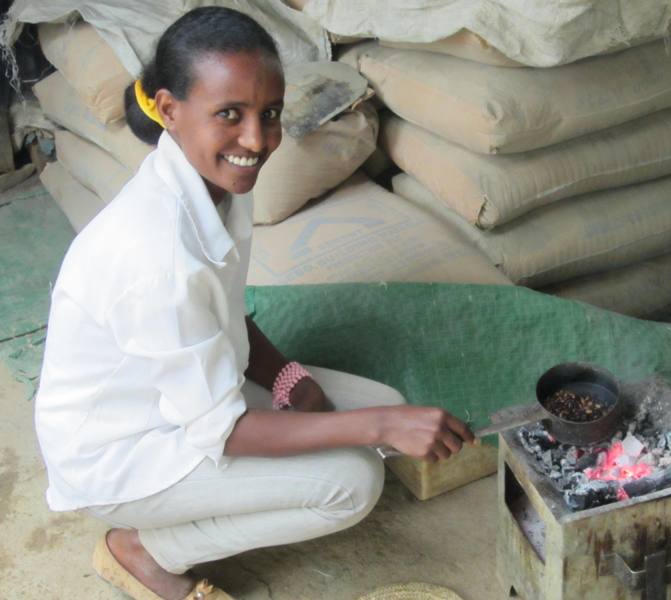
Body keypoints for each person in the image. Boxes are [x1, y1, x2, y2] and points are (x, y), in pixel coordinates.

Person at [34, 7, 475, 600]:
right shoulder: (155, 253)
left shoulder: (216, 185)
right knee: (352, 480)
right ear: (168, 110)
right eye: (229, 115)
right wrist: (379, 426)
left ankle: (351, 424)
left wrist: (290, 378)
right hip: (122, 453)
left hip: (189, 397)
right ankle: (143, 549)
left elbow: (226, 315)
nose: (256, 140)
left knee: (384, 406)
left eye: (269, 115)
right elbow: (226, 431)